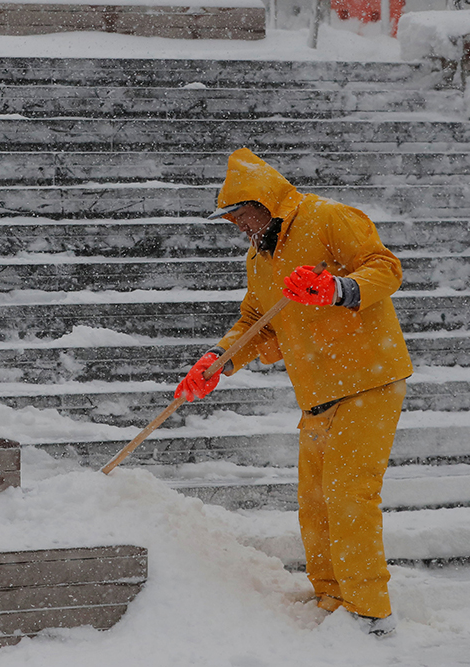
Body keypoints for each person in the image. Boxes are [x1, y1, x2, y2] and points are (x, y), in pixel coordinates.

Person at [175, 147, 412, 637]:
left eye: (241, 215)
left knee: (349, 495)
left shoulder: (327, 218)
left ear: (264, 203)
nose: (238, 226)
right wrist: (218, 360)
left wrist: (337, 289)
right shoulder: (258, 258)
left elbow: (385, 267)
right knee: (316, 502)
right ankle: (332, 597)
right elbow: (256, 322)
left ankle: (370, 613)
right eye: (231, 220)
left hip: (368, 378)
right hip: (317, 391)